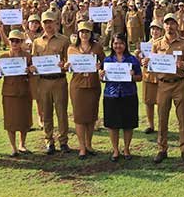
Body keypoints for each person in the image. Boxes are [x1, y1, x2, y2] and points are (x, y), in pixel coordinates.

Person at [148, 13, 184, 163]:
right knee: (162, 118)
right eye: (167, 23)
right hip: (163, 84)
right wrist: (146, 63)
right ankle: (162, 149)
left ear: (177, 25)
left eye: (172, 23)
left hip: (179, 83)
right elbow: (152, 64)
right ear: (164, 26)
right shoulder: (157, 44)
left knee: (182, 118)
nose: (169, 26)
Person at [31, 10, 71, 155]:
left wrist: (65, 64)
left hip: (59, 80)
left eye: (50, 22)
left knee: (61, 112)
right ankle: (49, 141)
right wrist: (33, 67)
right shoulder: (37, 41)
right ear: (41, 24)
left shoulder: (64, 40)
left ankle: (63, 141)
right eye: (45, 22)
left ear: (56, 23)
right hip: (43, 81)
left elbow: (69, 60)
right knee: (46, 113)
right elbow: (33, 60)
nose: (48, 25)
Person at [100, 33, 142, 162]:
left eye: (121, 43)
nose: (118, 46)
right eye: (115, 43)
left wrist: (132, 76)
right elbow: (102, 80)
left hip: (128, 94)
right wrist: (101, 75)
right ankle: (115, 150)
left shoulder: (132, 60)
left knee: (128, 124)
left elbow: (140, 78)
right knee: (113, 125)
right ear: (112, 45)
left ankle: (127, 148)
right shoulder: (107, 60)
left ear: (125, 44)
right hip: (111, 95)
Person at [66, 21, 105, 159]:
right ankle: (81, 147)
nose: (84, 34)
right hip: (77, 86)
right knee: (79, 117)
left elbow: (104, 64)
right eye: (82, 32)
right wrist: (67, 66)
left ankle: (89, 144)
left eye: (87, 32)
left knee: (91, 116)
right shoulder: (71, 48)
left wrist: (100, 66)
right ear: (78, 33)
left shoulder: (97, 48)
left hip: (93, 85)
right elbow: (68, 67)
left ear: (91, 33)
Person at [0, 29, 33, 157]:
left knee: (24, 119)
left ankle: (22, 144)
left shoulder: (27, 56)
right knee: (11, 121)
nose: (14, 43)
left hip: (24, 90)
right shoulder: (3, 57)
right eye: (12, 40)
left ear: (22, 42)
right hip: (9, 92)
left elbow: (32, 73)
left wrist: (30, 69)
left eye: (17, 41)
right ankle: (13, 147)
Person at [138, 21, 164, 134]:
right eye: (152, 29)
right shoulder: (145, 45)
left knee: (162, 103)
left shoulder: (164, 45)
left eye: (157, 29)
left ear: (161, 31)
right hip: (148, 76)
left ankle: (162, 125)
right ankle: (151, 125)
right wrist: (140, 58)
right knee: (148, 102)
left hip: (161, 77)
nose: (155, 31)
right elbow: (141, 62)